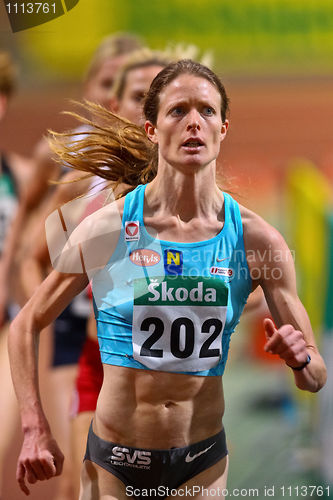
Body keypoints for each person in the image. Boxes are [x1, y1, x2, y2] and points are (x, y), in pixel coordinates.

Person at [9, 60, 327, 500]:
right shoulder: (108, 229)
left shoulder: (258, 241)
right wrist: (34, 426)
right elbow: (26, 324)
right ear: (151, 130)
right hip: (115, 463)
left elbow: (315, 376)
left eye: (207, 111)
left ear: (224, 128)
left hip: (202, 463)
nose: (194, 121)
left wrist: (300, 359)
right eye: (178, 111)